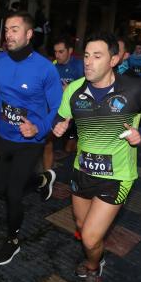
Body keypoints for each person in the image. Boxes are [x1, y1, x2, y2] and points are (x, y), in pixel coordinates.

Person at [53, 32, 141, 282]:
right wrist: (59, 125)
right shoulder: (73, 90)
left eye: (97, 56)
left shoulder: (135, 89)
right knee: (83, 228)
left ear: (114, 60)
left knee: (90, 238)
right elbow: (61, 119)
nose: (88, 62)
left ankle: (94, 268)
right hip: (81, 171)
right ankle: (95, 255)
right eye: (86, 56)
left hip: (116, 176)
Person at [0, 11, 63, 265]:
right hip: (5, 137)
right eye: (6, 29)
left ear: (29, 35)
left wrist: (38, 128)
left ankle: (13, 240)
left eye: (15, 29)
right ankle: (41, 179)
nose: (8, 34)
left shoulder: (45, 68)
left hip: (30, 141)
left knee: (14, 193)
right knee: (1, 189)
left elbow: (57, 110)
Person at [40, 36, 84, 191]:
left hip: (77, 114)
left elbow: (90, 89)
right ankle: (47, 178)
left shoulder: (80, 66)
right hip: (57, 113)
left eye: (61, 52)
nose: (57, 55)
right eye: (55, 52)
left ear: (70, 51)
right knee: (47, 142)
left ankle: (82, 176)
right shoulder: (52, 66)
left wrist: (70, 90)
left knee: (70, 149)